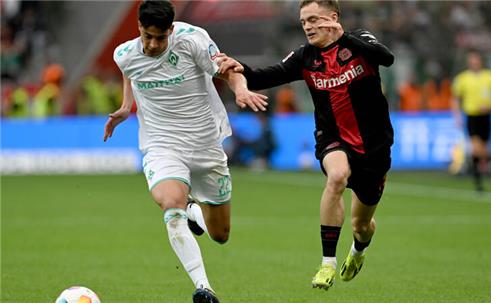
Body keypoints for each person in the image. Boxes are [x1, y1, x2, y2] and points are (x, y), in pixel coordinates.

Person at [218, 0, 394, 291]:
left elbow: (387, 58)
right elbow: (268, 75)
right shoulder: (305, 57)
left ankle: (358, 250)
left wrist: (344, 35)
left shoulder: (360, 41)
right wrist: (240, 68)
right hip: (332, 137)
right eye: (303, 22)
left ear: (333, 18)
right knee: (337, 176)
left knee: (361, 226)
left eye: (314, 20)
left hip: (373, 146)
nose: (308, 27)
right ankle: (327, 264)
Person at [103, 1, 268, 303]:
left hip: (205, 146)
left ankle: (194, 210)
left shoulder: (193, 39)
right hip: (161, 144)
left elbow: (228, 70)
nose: (153, 44)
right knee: (170, 204)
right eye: (147, 36)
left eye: (160, 38)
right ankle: (204, 287)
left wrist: (241, 89)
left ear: (171, 29)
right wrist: (127, 107)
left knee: (220, 234)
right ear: (138, 27)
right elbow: (130, 71)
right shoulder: (123, 53)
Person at [452, 50, 491, 191]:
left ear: (480, 61)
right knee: (476, 146)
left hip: (486, 116)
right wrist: (456, 116)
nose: (474, 63)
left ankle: (479, 169)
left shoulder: (490, 77)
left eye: (476, 60)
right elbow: (456, 98)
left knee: (485, 150)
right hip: (472, 115)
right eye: (471, 60)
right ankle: (477, 179)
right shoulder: (462, 78)